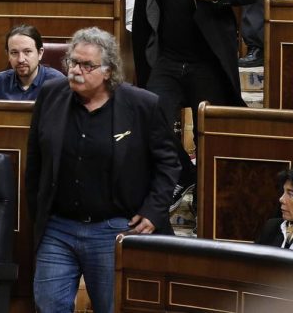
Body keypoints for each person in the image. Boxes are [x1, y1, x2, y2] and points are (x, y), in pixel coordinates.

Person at [26, 27, 180, 313]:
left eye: (87, 65)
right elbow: (35, 160)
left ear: (108, 71)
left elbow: (168, 163)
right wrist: (39, 214)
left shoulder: (142, 105)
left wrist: (153, 210)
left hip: (113, 228)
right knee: (48, 305)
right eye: (73, 62)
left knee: (112, 307)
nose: (75, 70)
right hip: (58, 228)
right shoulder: (51, 95)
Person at [125, 0, 258, 159]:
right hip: (168, 60)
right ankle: (179, 174)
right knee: (150, 122)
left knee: (208, 134)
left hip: (208, 61)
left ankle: (200, 181)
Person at [0, 24, 65, 101]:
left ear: (40, 53)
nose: (20, 59)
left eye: (27, 52)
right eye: (14, 53)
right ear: (8, 55)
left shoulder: (58, 83)